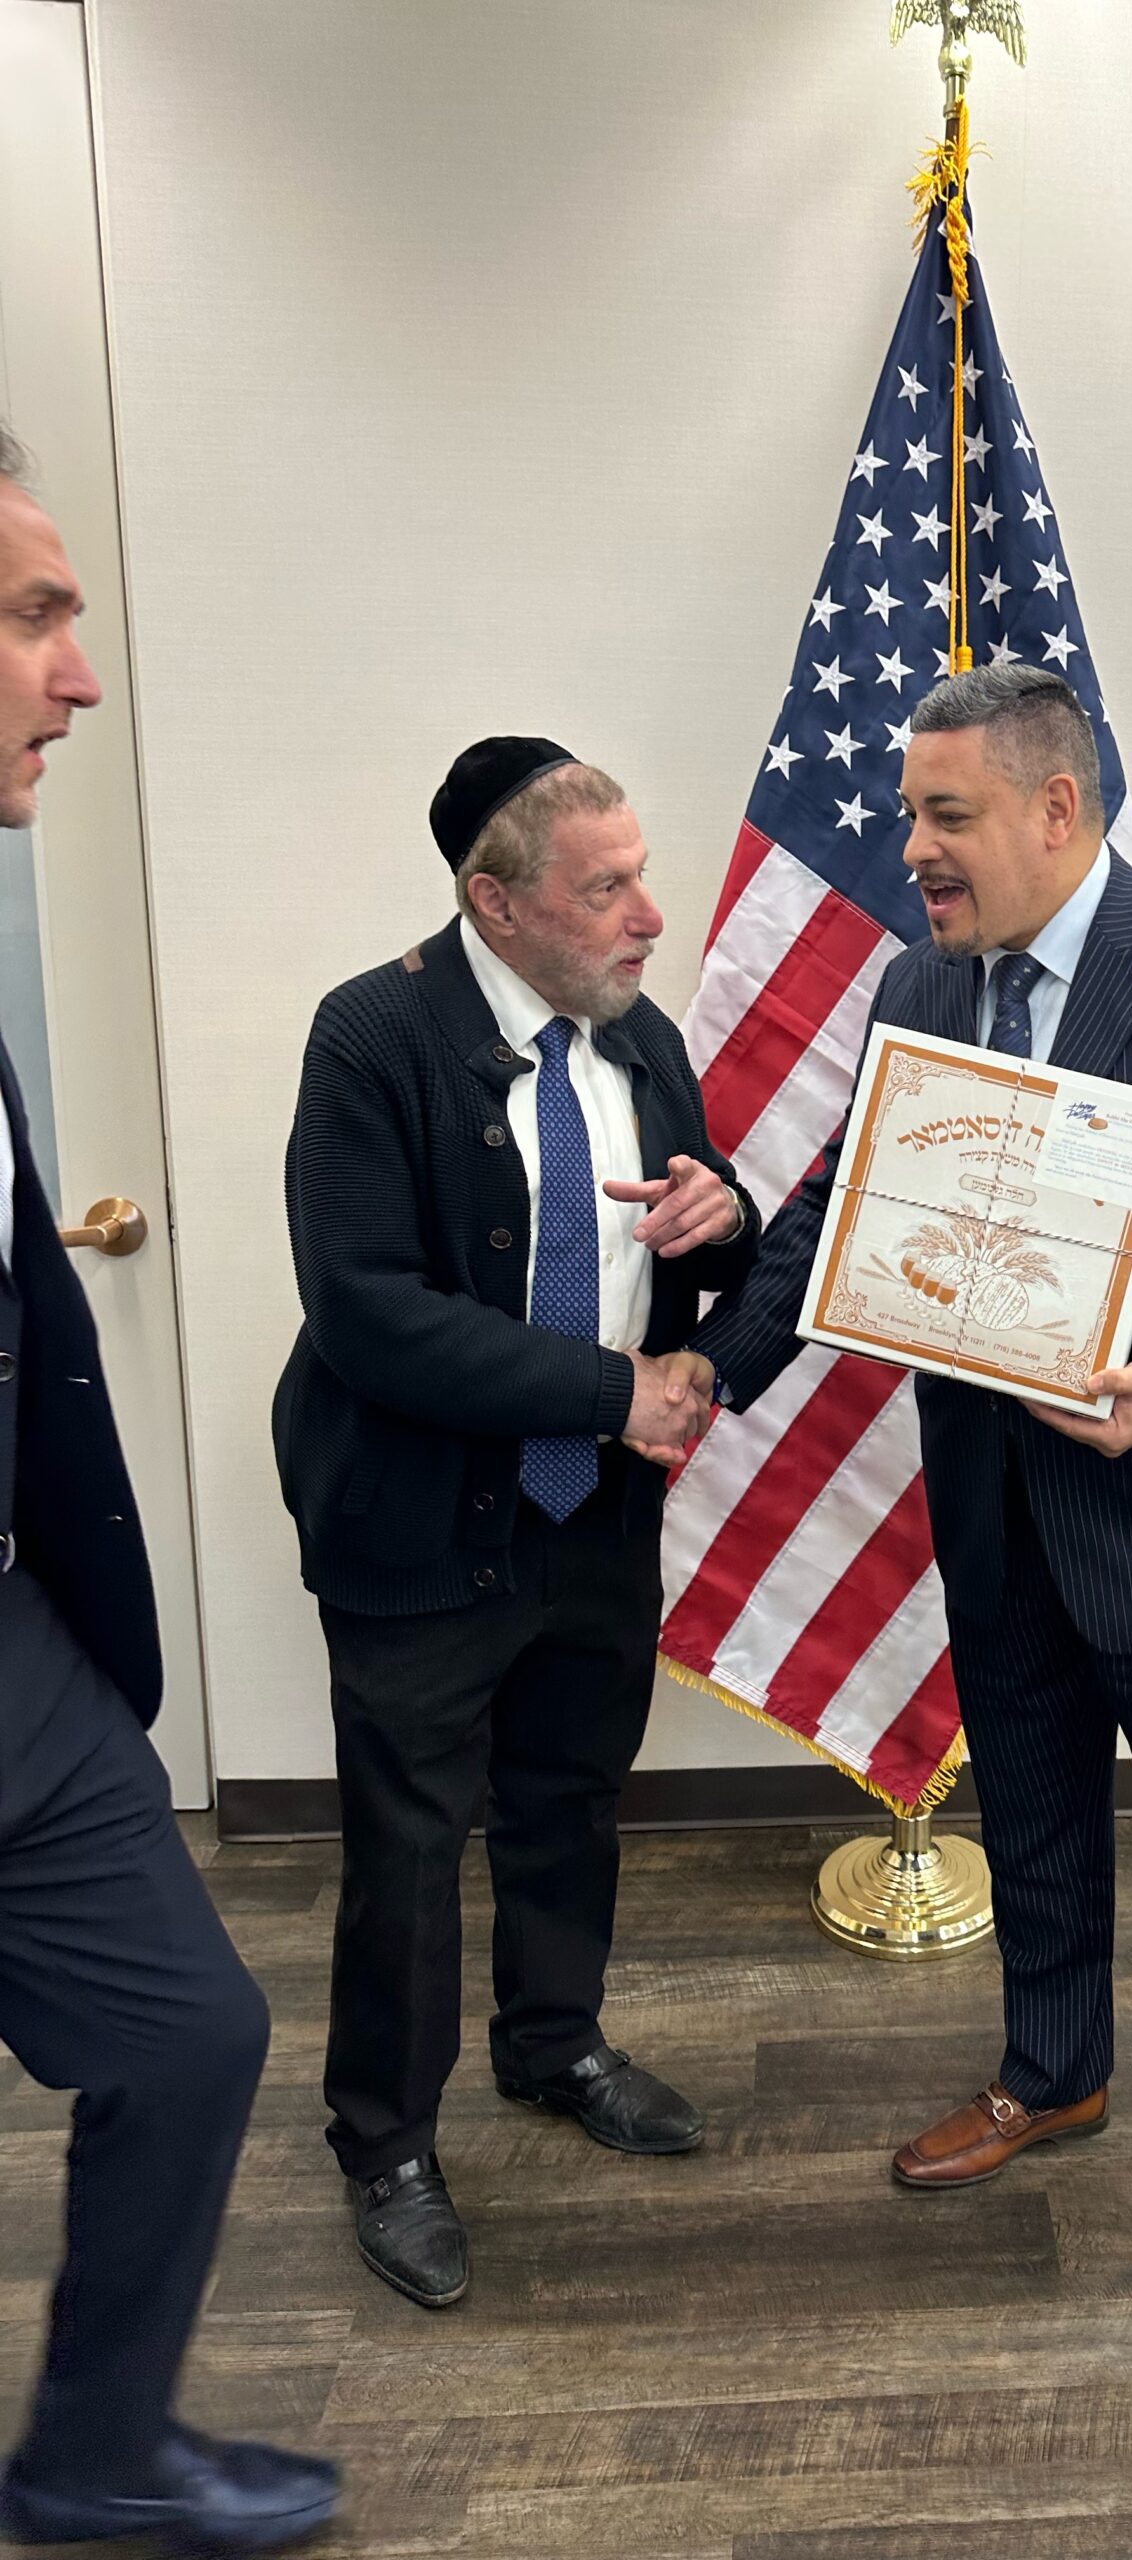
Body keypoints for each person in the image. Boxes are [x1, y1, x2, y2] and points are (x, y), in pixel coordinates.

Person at [689, 662, 1132, 2304]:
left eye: (946, 815)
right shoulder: (922, 986)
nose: (913, 849)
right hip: (994, 1506)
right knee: (1038, 1811)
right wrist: (714, 1369)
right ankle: (1053, 2071)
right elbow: (842, 1212)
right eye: (910, 813)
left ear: (1056, 807)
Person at [276, 735, 757, 2310]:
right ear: (494, 902)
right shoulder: (373, 1035)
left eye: (642, 878)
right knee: (411, 1847)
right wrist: (612, 1392)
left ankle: (553, 2044)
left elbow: (698, 1252)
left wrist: (725, 1219)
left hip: (592, 1515)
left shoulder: (642, 1037)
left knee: (569, 1795)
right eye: (606, 889)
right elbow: (369, 1314)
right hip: (418, 1518)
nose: (650, 917)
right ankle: (387, 2147)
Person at [0, 426, 339, 2549]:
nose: (80, 672)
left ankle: (97, 2454)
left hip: (21, 1657)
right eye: (34, 615)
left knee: (194, 2034)